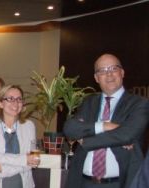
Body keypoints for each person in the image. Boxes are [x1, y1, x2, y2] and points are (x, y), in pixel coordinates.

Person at [63, 54, 149, 188]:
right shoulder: (88, 102)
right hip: (83, 182)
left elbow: (127, 135)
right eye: (102, 71)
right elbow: (70, 129)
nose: (109, 74)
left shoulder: (139, 104)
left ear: (122, 72)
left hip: (118, 183)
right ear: (96, 78)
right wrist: (105, 126)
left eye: (113, 68)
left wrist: (85, 139)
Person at [0, 85, 39, 188]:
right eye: (10, 99)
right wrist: (24, 159)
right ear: (0, 103)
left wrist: (2, 168)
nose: (15, 103)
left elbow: (33, 161)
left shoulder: (29, 126)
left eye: (19, 99)